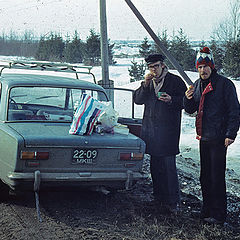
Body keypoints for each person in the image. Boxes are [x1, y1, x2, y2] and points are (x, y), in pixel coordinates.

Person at [183, 47, 240, 225]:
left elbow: (234, 111)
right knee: (204, 176)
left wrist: (231, 134)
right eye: (200, 67)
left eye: (206, 67)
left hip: (219, 137)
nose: (203, 70)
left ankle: (218, 214)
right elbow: (191, 109)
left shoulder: (224, 84)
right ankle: (206, 209)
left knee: (216, 177)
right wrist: (187, 98)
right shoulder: (197, 85)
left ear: (212, 67)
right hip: (204, 137)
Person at [133, 54, 187, 213]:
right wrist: (145, 84)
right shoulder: (149, 83)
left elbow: (186, 101)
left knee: (168, 167)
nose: (153, 70)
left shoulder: (175, 81)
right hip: (152, 131)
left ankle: (172, 202)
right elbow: (137, 100)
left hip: (168, 132)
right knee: (155, 167)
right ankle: (159, 198)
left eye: (156, 66)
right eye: (151, 67)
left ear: (163, 65)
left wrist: (171, 100)